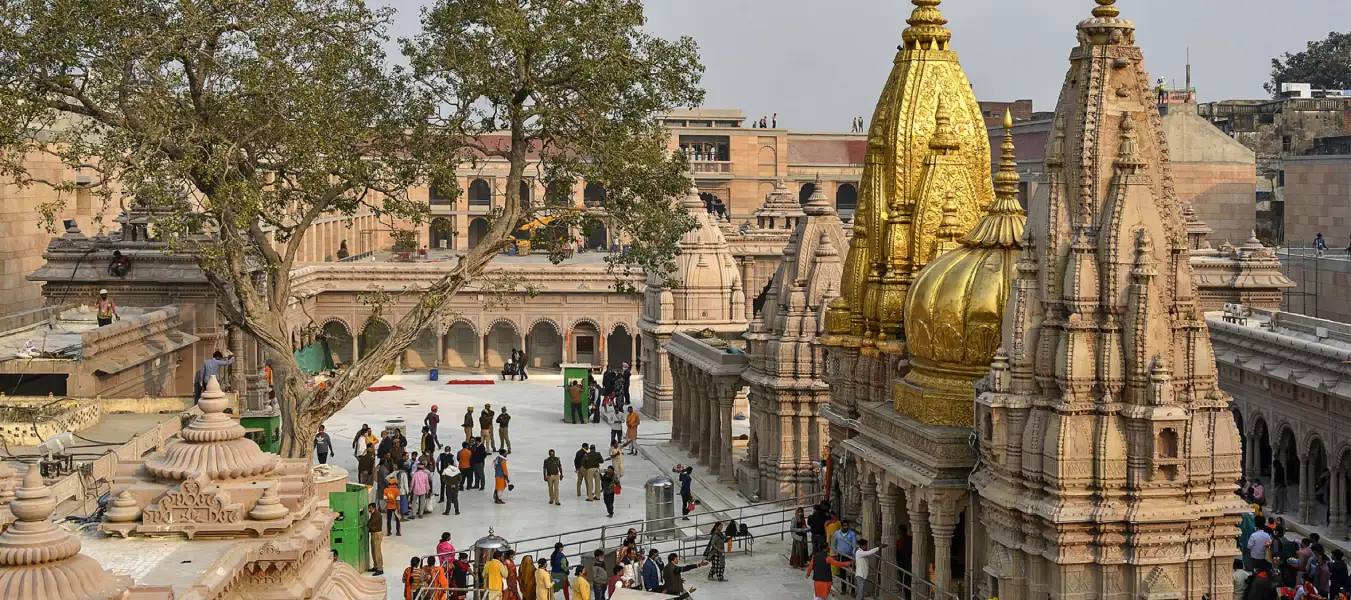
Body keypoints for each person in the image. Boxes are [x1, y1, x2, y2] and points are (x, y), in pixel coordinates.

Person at [832, 518, 858, 594]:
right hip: (841, 556)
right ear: (841, 526)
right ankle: (843, 589)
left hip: (849, 556)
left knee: (851, 573)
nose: (846, 527)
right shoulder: (837, 533)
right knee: (842, 573)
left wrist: (853, 555)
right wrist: (834, 554)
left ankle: (852, 589)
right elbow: (834, 544)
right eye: (845, 526)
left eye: (847, 525)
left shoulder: (852, 534)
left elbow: (854, 545)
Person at [367, 503, 385, 575]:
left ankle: (380, 568)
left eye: (370, 508)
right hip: (374, 534)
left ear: (374, 508)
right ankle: (376, 566)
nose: (369, 510)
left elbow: (370, 524)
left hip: (377, 534)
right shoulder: (374, 514)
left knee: (377, 552)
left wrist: (369, 526)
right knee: (374, 551)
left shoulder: (376, 515)